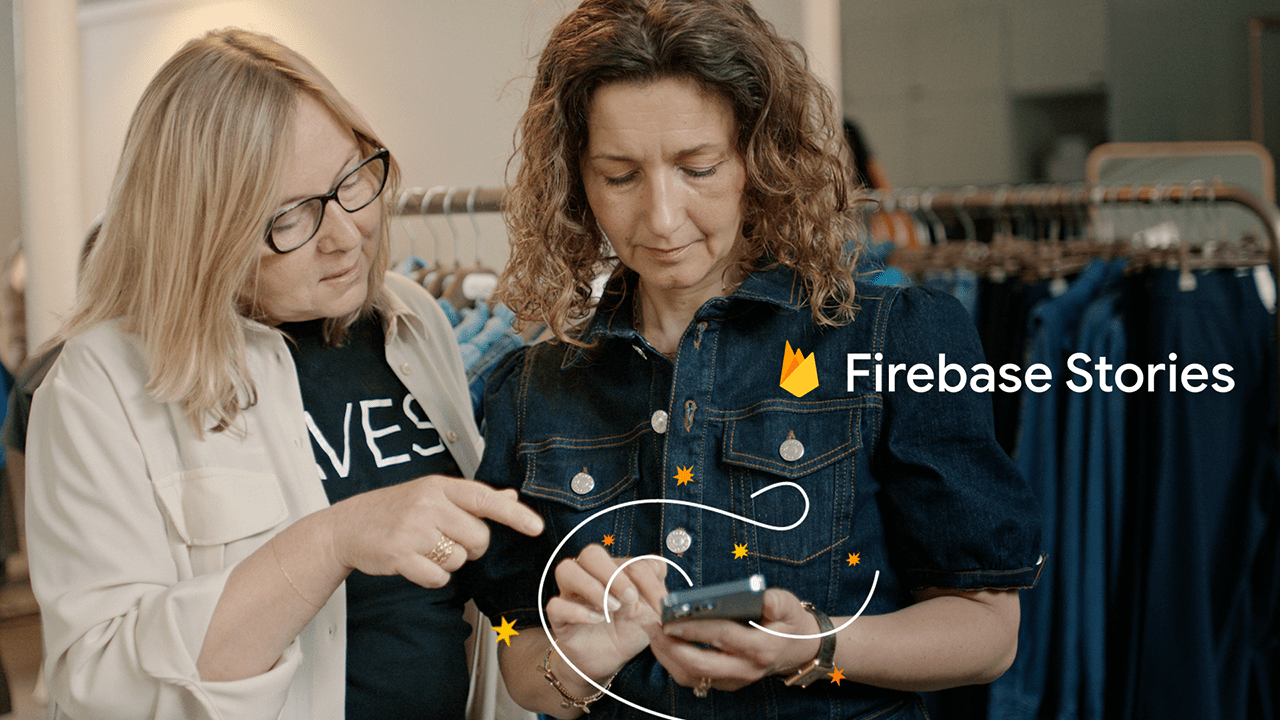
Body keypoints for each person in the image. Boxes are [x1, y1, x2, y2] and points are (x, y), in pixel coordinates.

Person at [466, 1, 1044, 718]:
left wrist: (815, 645)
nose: (663, 218)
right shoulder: (534, 387)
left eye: (699, 168)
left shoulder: (892, 339)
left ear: (759, 159)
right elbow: (520, 660)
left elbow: (989, 633)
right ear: (574, 180)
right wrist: (584, 655)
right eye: (619, 176)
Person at [24, 28, 544, 720]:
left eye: (350, 181)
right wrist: (331, 542)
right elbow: (100, 685)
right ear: (200, 231)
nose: (346, 235)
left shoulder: (410, 319)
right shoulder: (100, 384)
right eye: (290, 217)